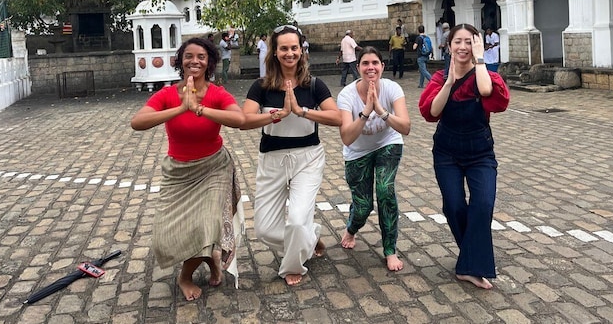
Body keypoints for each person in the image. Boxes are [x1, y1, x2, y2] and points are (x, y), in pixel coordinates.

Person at [130, 38, 246, 301]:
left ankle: (185, 276)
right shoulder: (168, 94)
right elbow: (137, 122)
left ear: (210, 62)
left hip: (213, 168)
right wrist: (181, 107)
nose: (195, 61)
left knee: (205, 226)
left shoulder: (217, 93)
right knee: (164, 235)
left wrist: (201, 109)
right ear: (180, 61)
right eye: (189, 56)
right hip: (178, 172)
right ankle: (211, 259)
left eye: (201, 57)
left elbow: (239, 120)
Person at [241, 25, 342, 286]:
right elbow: (245, 120)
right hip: (272, 159)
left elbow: (337, 117)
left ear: (302, 50)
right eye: (283, 48)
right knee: (263, 230)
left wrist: (302, 111)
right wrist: (278, 114)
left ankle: (293, 266)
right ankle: (311, 237)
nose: (289, 53)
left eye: (294, 48)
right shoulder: (261, 86)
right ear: (274, 52)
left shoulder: (314, 84)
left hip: (307, 157)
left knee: (297, 220)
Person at [418, 24, 510, 290]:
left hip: (480, 152)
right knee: (454, 206)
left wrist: (480, 59)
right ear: (448, 45)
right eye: (457, 41)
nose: (462, 47)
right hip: (447, 153)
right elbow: (431, 111)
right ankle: (471, 263)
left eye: (469, 42)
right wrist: (449, 81)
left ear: (476, 46)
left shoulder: (483, 74)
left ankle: (469, 264)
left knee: (483, 204)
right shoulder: (438, 78)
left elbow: (486, 92)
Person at [337, 47, 411, 271]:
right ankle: (351, 228)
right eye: (365, 63)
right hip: (357, 152)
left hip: (388, 144)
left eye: (375, 63)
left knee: (385, 190)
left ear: (382, 67)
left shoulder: (392, 88)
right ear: (358, 67)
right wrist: (366, 111)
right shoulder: (346, 96)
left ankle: (390, 249)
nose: (371, 67)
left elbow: (405, 127)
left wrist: (381, 110)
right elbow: (347, 137)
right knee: (363, 206)